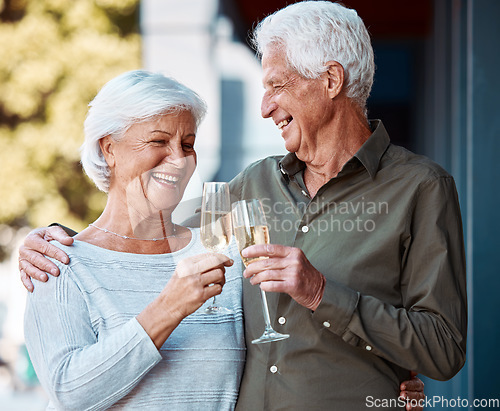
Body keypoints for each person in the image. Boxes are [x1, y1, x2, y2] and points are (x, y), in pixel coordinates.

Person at [17, 2, 449, 410]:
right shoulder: (254, 185)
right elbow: (149, 229)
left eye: (277, 85)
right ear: (108, 148)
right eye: (159, 141)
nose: (264, 107)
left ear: (331, 81)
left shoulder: (421, 189)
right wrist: (52, 238)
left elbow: (443, 349)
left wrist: (322, 294)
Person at [22, 70, 246, 410]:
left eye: (188, 144)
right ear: (109, 148)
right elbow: (70, 394)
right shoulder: (59, 264)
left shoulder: (222, 252)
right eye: (158, 141)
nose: (179, 158)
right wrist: (168, 308)